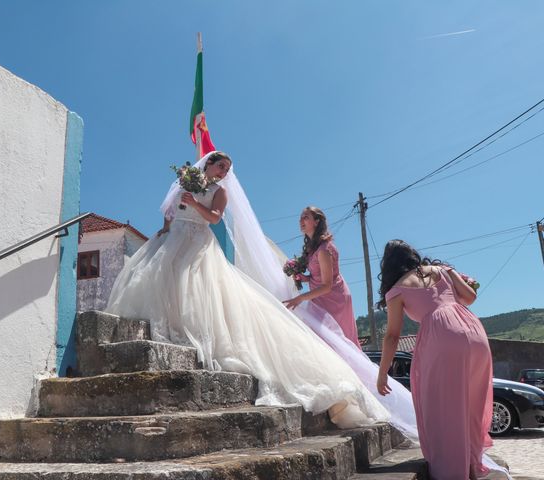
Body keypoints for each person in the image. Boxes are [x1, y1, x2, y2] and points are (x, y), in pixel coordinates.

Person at [106, 151, 389, 427]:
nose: (225, 172)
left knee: (197, 289)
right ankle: (173, 325)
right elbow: (170, 208)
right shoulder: (186, 181)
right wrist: (167, 224)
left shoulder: (220, 191)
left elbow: (215, 217)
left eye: (228, 169)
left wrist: (194, 203)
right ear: (209, 163)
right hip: (175, 237)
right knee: (164, 281)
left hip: (198, 241)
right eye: (222, 167)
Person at [376, 239, 493, 480]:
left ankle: (454, 472)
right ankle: (471, 465)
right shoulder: (443, 270)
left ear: (388, 266)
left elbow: (392, 336)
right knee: (470, 404)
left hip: (441, 339)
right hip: (474, 332)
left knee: (443, 408)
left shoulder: (396, 290)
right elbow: (469, 297)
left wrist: (382, 372)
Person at [283, 206, 361, 348]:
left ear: (317, 222)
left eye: (306, 217)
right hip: (319, 299)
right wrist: (305, 278)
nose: (301, 220)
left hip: (334, 300)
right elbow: (317, 276)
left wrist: (300, 298)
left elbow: (326, 286)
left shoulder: (324, 249)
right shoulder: (313, 248)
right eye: (300, 217)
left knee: (338, 343)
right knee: (320, 342)